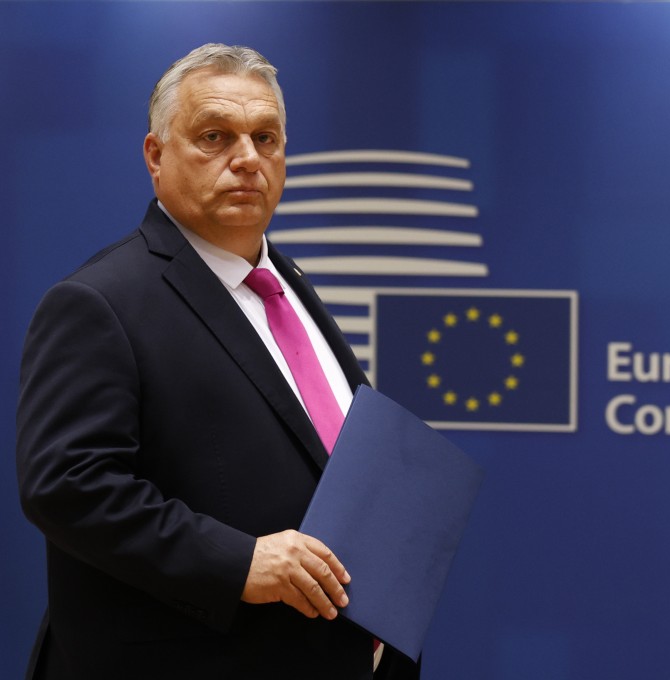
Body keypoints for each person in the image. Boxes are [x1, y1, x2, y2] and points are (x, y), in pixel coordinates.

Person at [16, 43, 420, 680]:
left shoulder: (288, 283)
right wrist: (238, 562)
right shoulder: (98, 301)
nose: (248, 159)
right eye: (215, 137)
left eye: (266, 138)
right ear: (156, 156)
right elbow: (68, 487)